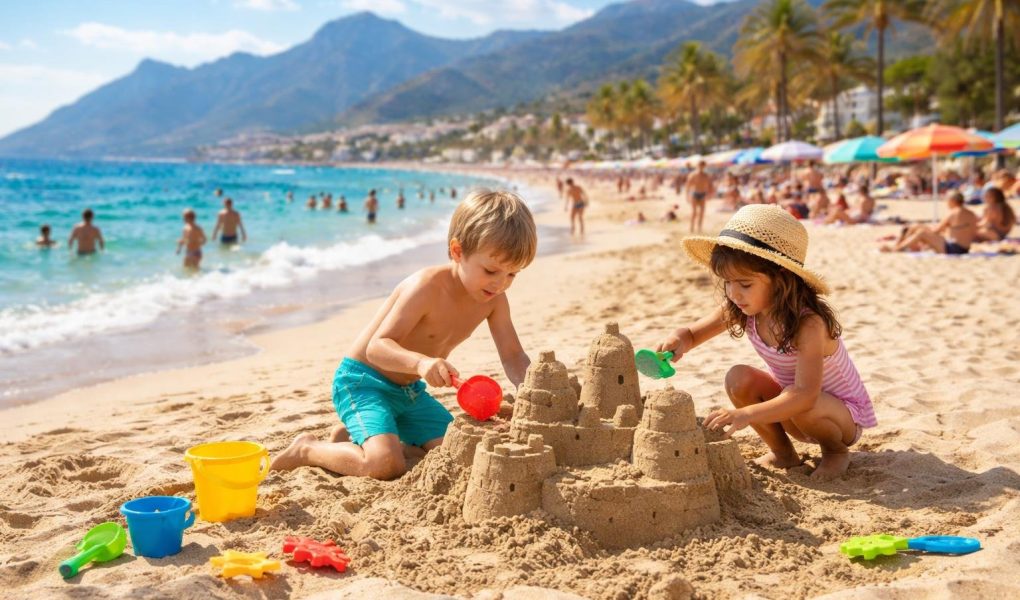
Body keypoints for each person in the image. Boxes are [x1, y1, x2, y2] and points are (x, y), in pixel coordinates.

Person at [270, 190, 537, 479]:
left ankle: (358, 436)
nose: (500, 284)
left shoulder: (494, 300)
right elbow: (377, 347)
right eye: (491, 270)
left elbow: (512, 355)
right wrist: (422, 364)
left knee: (458, 450)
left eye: (512, 275)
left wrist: (535, 388)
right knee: (385, 465)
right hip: (363, 383)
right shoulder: (426, 288)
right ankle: (307, 449)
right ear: (458, 251)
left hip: (409, 393)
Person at [654, 205, 875, 480]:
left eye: (745, 284)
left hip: (837, 417)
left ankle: (835, 453)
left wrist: (745, 415)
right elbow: (692, 333)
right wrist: (679, 340)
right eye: (728, 283)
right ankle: (784, 454)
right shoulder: (743, 309)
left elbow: (805, 394)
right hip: (792, 406)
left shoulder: (809, 325)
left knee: (806, 400)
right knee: (738, 378)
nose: (734, 293)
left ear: (781, 280)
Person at [882, 192, 978, 254]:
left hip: (953, 249)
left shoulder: (953, 213)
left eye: (947, 200)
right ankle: (906, 246)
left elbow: (936, 231)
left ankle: (897, 249)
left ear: (952, 201)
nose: (946, 203)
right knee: (917, 226)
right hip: (965, 248)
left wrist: (926, 230)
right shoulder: (971, 214)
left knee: (921, 232)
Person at [686, 161, 713, 233]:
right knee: (694, 212)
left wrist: (710, 194)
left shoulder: (706, 175)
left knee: (702, 212)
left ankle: (699, 228)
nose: (701, 167)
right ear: (697, 166)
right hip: (694, 194)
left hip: (703, 194)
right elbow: (688, 186)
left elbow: (710, 185)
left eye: (703, 165)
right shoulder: (693, 175)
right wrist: (687, 196)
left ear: (704, 166)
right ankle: (691, 227)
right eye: (700, 165)